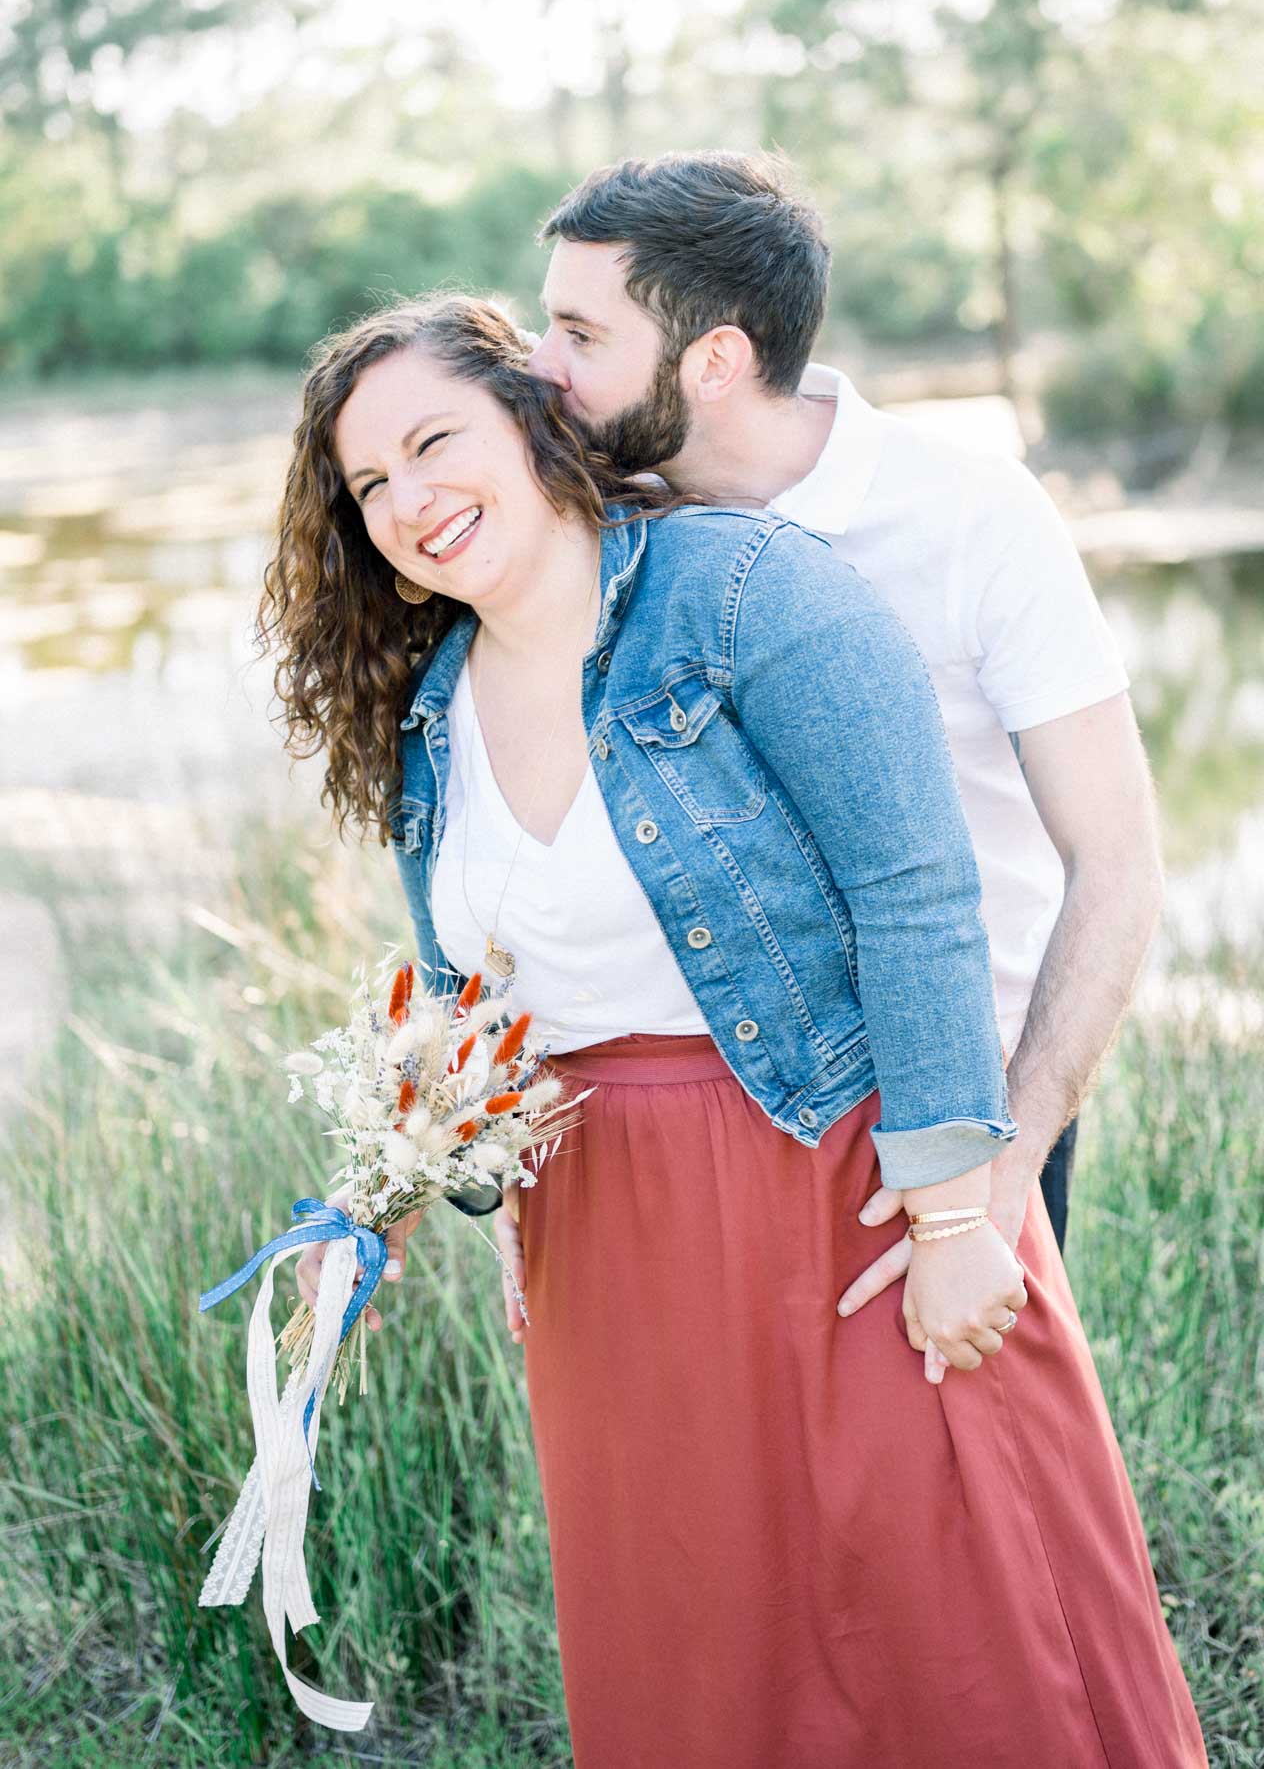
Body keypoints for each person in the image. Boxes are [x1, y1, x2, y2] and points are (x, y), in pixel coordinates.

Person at [264, 292, 1206, 1769]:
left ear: (532, 419)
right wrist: (408, 1183)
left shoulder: (743, 588)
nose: (407, 502)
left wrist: (963, 1209)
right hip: (608, 1240)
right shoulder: (431, 711)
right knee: (703, 1646)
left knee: (954, 1630)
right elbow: (477, 999)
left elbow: (915, 887)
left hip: (840, 1178)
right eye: (369, 485)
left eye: (432, 442)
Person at [515, 150, 1163, 1308]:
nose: (538, 367)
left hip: (962, 1103)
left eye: (579, 334)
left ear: (714, 359)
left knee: (968, 1479)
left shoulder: (970, 514)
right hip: (704, 1124)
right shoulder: (588, 522)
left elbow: (1113, 860)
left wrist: (1005, 1160)